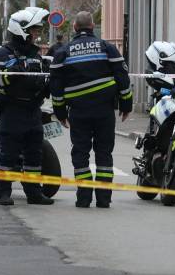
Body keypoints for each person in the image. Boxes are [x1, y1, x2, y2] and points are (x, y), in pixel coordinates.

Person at [49, 11, 132, 208]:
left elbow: (56, 88)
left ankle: (84, 197)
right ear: (93, 27)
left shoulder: (64, 52)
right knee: (104, 153)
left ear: (75, 28)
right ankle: (104, 199)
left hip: (78, 112)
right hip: (104, 111)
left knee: (80, 153)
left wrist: (60, 113)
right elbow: (122, 77)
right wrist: (126, 105)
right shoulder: (107, 48)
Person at [0, 7, 55, 206]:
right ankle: (3, 193)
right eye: (33, 29)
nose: (36, 33)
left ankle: (34, 193)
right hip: (12, 110)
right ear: (21, 29)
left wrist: (49, 80)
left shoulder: (35, 54)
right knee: (8, 154)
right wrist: (16, 71)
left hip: (33, 110)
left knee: (34, 154)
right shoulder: (1, 53)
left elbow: (42, 79)